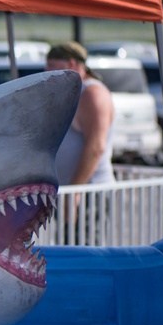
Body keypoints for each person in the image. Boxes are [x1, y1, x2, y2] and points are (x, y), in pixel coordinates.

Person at [45, 41, 115, 244]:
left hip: (88, 192)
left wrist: (75, 191)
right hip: (72, 191)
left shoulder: (92, 93)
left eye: (53, 65)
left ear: (72, 64)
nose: (48, 71)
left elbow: (96, 147)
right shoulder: (75, 92)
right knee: (69, 248)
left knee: (84, 252)